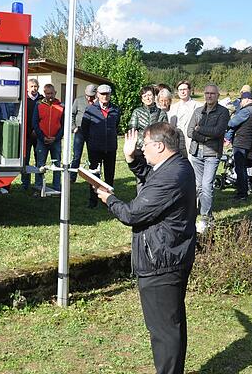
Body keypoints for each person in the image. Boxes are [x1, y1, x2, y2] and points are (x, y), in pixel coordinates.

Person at [96, 122, 196, 374]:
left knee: (164, 330)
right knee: (170, 324)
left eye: (145, 144)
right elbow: (151, 179)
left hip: (162, 261)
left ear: (160, 146)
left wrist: (109, 199)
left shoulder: (172, 175)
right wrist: (132, 159)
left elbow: (133, 213)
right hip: (169, 255)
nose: (142, 148)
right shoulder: (175, 166)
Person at [186, 83, 229, 232]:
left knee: (206, 185)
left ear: (217, 95)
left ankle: (205, 217)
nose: (209, 96)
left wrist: (200, 129)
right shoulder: (198, 111)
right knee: (198, 186)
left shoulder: (223, 112)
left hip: (212, 154)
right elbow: (190, 131)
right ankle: (207, 216)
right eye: (207, 93)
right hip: (197, 153)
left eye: (212, 93)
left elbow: (218, 131)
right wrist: (204, 137)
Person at [82, 84, 121, 208]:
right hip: (94, 148)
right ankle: (93, 200)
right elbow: (85, 129)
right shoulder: (90, 109)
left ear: (110, 95)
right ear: (97, 94)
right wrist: (91, 142)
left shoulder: (116, 109)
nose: (105, 96)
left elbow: (116, 125)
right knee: (94, 175)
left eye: (107, 94)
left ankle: (108, 200)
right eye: (102, 94)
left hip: (110, 147)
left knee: (109, 175)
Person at [225, 91, 252, 201]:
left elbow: (232, 123)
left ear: (247, 100)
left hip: (241, 142)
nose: (241, 102)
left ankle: (242, 193)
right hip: (247, 142)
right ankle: (243, 192)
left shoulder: (246, 111)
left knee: (240, 169)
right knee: (242, 168)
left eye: (242, 100)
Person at [32, 83, 64, 193]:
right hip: (42, 140)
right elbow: (35, 123)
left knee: (57, 164)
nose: (49, 95)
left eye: (51, 93)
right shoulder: (38, 105)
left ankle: (57, 187)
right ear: (44, 93)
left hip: (56, 140)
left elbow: (63, 125)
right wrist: (42, 137)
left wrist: (56, 138)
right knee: (40, 164)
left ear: (55, 93)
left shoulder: (61, 106)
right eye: (47, 93)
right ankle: (39, 186)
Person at [69, 84, 97, 182]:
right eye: (88, 95)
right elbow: (71, 114)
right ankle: (72, 177)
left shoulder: (97, 102)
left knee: (92, 156)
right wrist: (73, 128)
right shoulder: (78, 100)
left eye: (92, 96)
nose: (89, 98)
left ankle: (93, 178)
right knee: (76, 156)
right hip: (79, 131)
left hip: (93, 132)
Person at [21, 78, 43, 191]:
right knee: (26, 159)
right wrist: (29, 130)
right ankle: (25, 183)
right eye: (31, 86)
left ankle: (38, 183)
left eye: (35, 86)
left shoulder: (42, 100)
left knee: (39, 159)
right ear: (27, 88)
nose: (34, 89)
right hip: (26, 135)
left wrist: (37, 130)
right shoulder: (23, 99)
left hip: (39, 134)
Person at [130, 86, 168, 150]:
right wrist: (143, 144)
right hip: (141, 148)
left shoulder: (162, 113)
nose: (147, 98)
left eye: (149, 95)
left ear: (154, 97)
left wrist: (155, 144)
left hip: (157, 147)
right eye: (144, 96)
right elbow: (132, 130)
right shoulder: (137, 112)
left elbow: (165, 131)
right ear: (142, 99)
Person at [169, 80, 200, 158]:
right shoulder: (173, 107)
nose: (182, 92)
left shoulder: (198, 106)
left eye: (184, 89)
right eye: (180, 90)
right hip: (177, 140)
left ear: (189, 90)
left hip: (191, 140)